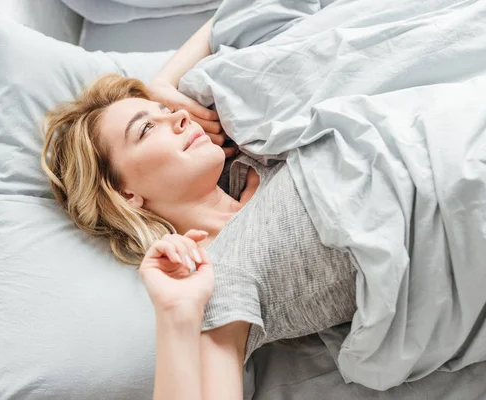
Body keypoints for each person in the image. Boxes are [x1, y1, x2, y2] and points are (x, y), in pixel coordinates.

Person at [41, 16, 356, 400]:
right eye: (145, 129)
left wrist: (163, 84)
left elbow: (253, 14)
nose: (178, 115)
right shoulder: (219, 274)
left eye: (165, 109)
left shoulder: (257, 145)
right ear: (126, 195)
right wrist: (178, 316)